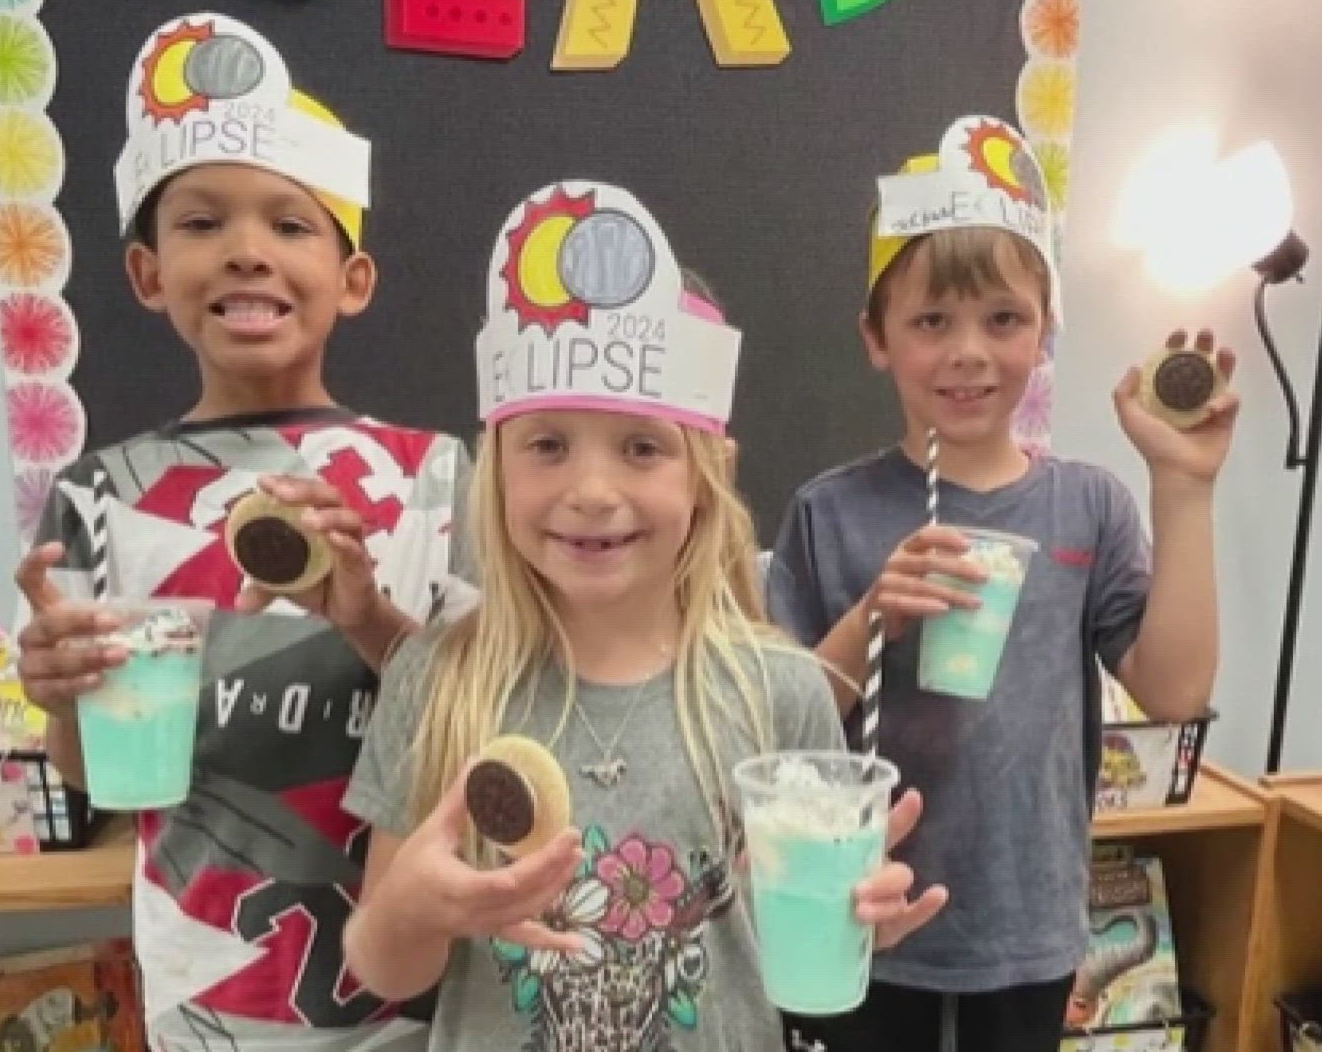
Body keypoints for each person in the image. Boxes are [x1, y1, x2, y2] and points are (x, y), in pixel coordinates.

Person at [340, 179, 948, 1052]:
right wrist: (414, 908)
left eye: (642, 448)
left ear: (705, 477)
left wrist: (848, 922)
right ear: (496, 468)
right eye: (548, 445)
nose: (592, 492)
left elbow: (789, 957)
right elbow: (386, 968)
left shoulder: (779, 690)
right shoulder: (437, 680)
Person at [10, 12, 472, 1052]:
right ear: (145, 272)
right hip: (204, 993)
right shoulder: (99, 494)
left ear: (353, 280)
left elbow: (473, 717)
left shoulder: (431, 475)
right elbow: (88, 775)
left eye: (292, 225)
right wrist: (60, 694)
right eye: (203, 222)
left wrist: (365, 617)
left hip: (417, 1000)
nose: (247, 253)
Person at [766, 115, 1238, 1050]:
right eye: (931, 321)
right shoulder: (832, 513)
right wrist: (871, 617)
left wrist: (1183, 488)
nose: (969, 351)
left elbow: (1177, 688)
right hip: (857, 912)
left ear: (1045, 329)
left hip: (1026, 928)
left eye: (1004, 319)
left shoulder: (1086, 509)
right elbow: (778, 728)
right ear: (877, 338)